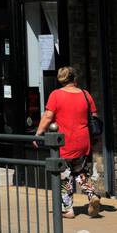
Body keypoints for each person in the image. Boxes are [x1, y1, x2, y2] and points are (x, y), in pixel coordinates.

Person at [35, 65, 101, 218]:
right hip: (83, 142)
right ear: (74, 79)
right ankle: (92, 195)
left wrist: (38, 134)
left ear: (60, 79)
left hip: (64, 143)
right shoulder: (85, 94)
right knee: (80, 172)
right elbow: (94, 117)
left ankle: (68, 209)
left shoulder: (56, 95)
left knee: (64, 175)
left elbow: (48, 117)